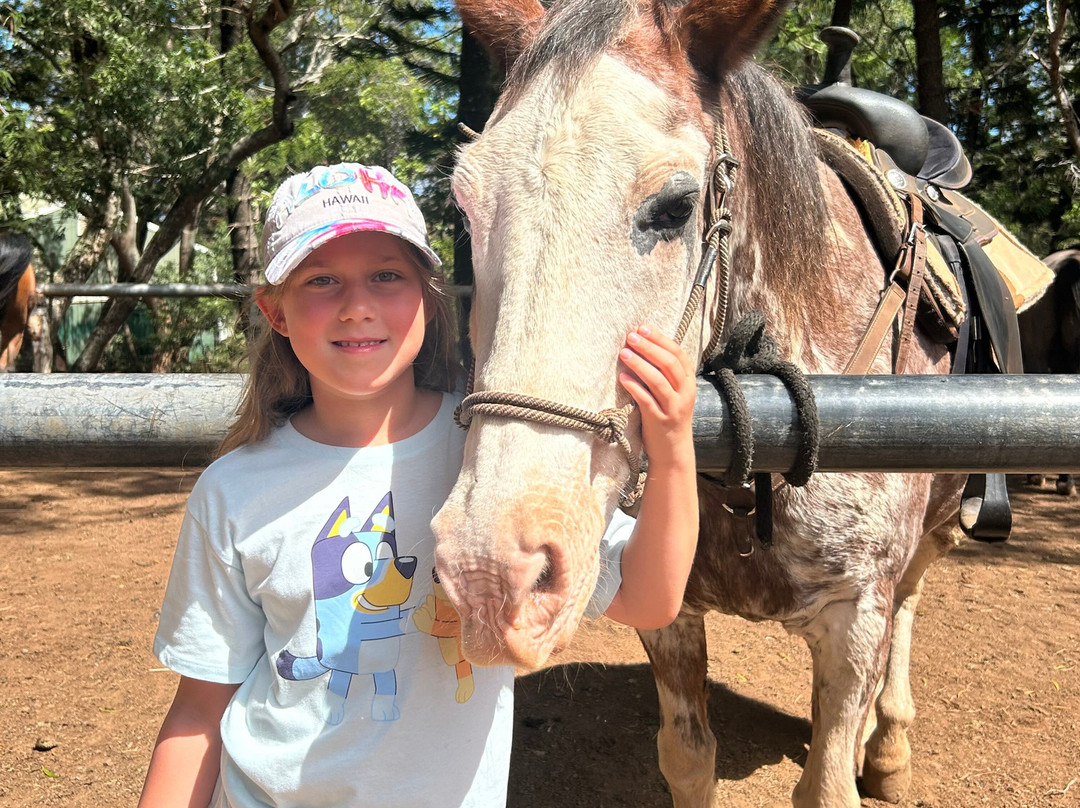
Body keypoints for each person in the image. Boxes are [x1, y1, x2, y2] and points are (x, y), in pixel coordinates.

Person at [138, 163, 699, 808]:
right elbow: (201, 710)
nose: (357, 305)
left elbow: (647, 599)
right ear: (276, 311)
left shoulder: (493, 449)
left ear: (427, 297)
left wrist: (674, 446)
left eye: (387, 275)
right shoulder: (232, 491)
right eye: (321, 280)